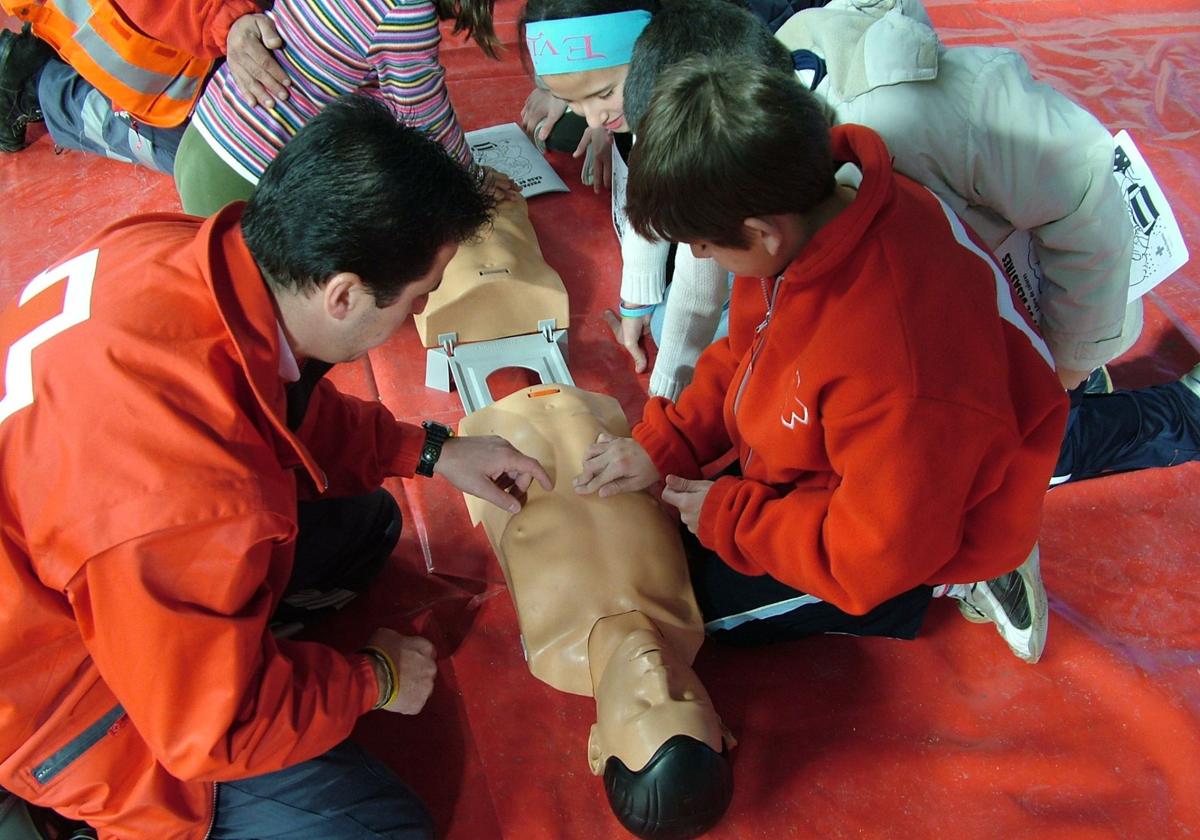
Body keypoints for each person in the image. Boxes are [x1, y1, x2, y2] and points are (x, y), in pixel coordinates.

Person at [0, 94, 551, 839]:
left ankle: (230, 641)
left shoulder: (187, 254)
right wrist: (375, 678)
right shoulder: (186, 499)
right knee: (383, 830)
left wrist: (428, 450)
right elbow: (206, 733)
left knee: (364, 524)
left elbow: (269, 401)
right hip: (57, 692)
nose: (420, 313)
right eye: (418, 297)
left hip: (81, 538)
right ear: (345, 294)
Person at [575, 59, 1070, 664]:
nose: (700, 256)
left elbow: (870, 555)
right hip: (868, 461)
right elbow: (747, 353)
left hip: (912, 524)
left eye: (703, 246)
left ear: (763, 233)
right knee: (679, 537)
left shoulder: (896, 368)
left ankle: (962, 575)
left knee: (689, 609)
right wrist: (664, 444)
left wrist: (729, 518)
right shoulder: (814, 213)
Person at [616, 0, 1200, 487]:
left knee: (1010, 449)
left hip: (1029, 309)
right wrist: (664, 424)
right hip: (939, 306)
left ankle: (1179, 415)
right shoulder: (763, 143)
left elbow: (1089, 202)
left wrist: (1069, 358)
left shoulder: (939, 116)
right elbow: (708, 282)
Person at [460, 384, 734, 840]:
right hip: (595, 404)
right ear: (721, 725)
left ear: (595, 747)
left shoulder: (551, 648)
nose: (656, 674)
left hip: (490, 430)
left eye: (642, 706)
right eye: (684, 698)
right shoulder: (687, 618)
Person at [175, 0, 516, 216]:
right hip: (246, 176)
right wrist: (471, 180)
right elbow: (425, 121)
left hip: (203, 138)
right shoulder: (403, 13)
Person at [0, 0, 291, 172]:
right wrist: (223, 17)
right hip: (176, 75)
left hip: (189, 41)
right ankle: (37, 85)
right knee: (222, 167)